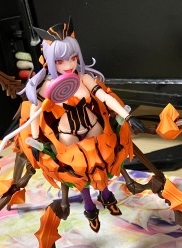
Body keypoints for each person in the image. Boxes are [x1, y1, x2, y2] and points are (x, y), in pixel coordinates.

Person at [18, 18, 145, 232]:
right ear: (50, 60)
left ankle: (106, 194)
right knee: (78, 170)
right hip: (66, 133)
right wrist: (35, 139)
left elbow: (105, 97)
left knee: (104, 160)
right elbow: (34, 113)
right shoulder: (46, 87)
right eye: (61, 61)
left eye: (73, 58)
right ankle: (89, 205)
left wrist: (127, 116)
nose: (69, 65)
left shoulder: (84, 78)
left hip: (93, 125)